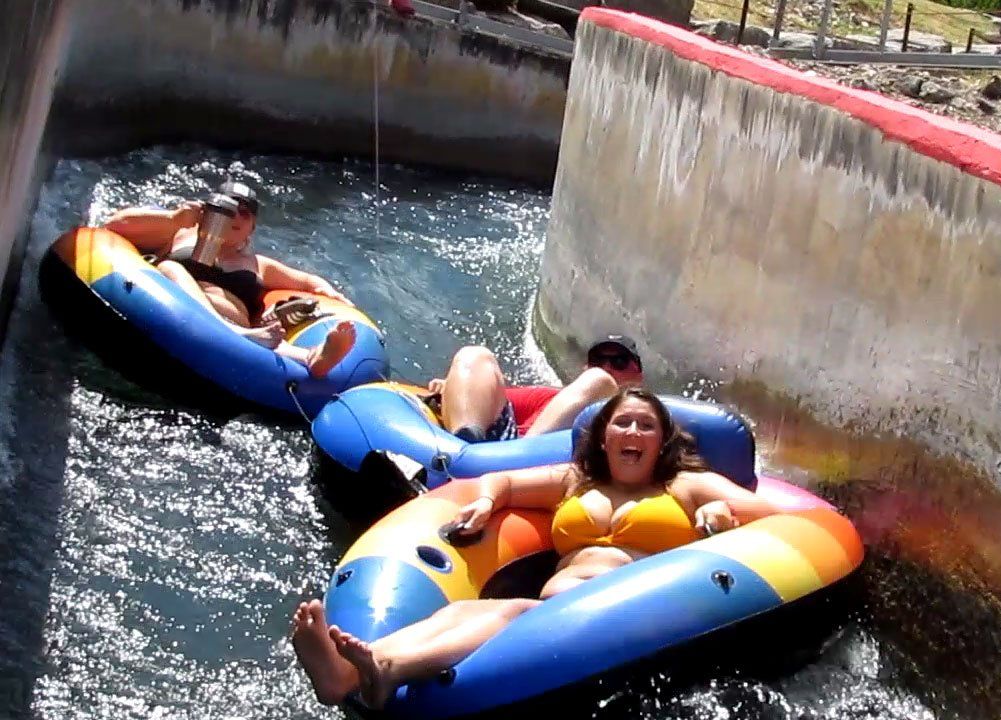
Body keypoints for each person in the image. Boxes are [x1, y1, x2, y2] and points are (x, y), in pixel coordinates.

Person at [290, 387, 781, 708]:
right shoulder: (575, 482)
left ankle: (386, 667)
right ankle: (347, 674)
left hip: (629, 611)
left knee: (511, 615)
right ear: (603, 438)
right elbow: (502, 481)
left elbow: (771, 516)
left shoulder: (686, 487)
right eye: (622, 423)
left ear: (662, 442)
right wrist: (485, 504)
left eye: (646, 426)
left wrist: (721, 515)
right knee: (461, 610)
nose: (633, 432)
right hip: (556, 606)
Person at [101, 181, 356, 378]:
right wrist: (174, 218)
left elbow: (308, 281)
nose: (236, 217)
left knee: (254, 337)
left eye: (245, 213)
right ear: (209, 211)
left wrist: (331, 293)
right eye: (228, 209)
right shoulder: (179, 234)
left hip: (237, 325)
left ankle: (312, 356)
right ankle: (245, 336)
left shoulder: (259, 265)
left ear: (252, 227)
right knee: (170, 267)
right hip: (177, 309)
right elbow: (114, 226)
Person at [422, 335, 646, 444]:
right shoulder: (550, 398)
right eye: (598, 361)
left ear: (639, 377)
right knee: (475, 355)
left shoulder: (647, 424)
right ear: (584, 369)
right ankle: (462, 449)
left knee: (601, 381)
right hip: (492, 448)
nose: (607, 367)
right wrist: (454, 387)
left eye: (619, 362)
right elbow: (486, 398)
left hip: (542, 465)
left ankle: (521, 456)